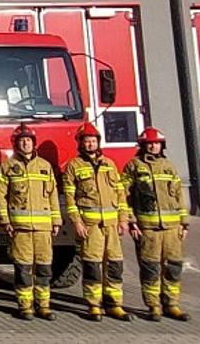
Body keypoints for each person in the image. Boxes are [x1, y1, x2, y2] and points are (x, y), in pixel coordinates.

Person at [63, 122, 133, 321]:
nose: (90, 144)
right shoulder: (73, 166)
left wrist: (123, 220)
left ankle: (114, 304)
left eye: (93, 141)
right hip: (90, 226)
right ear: (81, 143)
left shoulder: (109, 164)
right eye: (87, 141)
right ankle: (93, 305)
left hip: (111, 225)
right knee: (92, 265)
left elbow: (120, 194)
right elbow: (70, 199)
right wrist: (77, 222)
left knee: (114, 264)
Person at [124, 127, 189, 321]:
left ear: (162, 145)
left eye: (156, 143)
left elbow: (178, 196)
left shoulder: (169, 166)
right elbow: (124, 196)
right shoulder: (134, 166)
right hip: (147, 229)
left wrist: (184, 223)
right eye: (149, 144)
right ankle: (153, 306)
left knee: (173, 267)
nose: (153, 146)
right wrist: (131, 222)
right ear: (143, 146)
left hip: (172, 228)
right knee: (150, 268)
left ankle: (172, 304)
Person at [0, 122, 60, 319]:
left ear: (34, 143)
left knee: (44, 268)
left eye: (28, 140)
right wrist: (5, 221)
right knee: (23, 268)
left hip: (43, 228)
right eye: (22, 140)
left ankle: (43, 305)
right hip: (20, 228)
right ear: (16, 144)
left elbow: (53, 195)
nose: (25, 144)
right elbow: (1, 197)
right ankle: (25, 306)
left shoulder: (45, 166)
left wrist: (56, 220)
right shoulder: (7, 167)